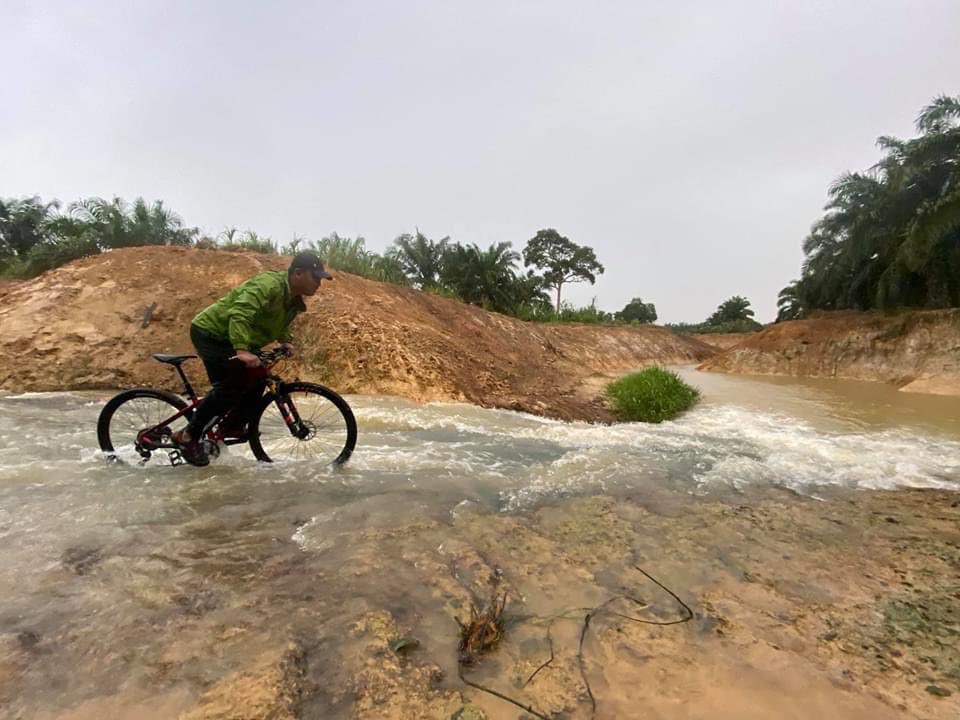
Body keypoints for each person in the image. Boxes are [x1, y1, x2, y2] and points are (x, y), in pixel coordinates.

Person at [171, 250, 333, 465]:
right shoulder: (269, 285)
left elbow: (276, 322)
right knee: (232, 384)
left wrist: (285, 340)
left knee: (257, 379)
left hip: (237, 338)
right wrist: (241, 350)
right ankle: (188, 435)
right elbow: (240, 312)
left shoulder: (293, 300)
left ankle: (233, 426)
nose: (318, 284)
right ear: (298, 273)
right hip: (212, 334)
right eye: (316, 278)